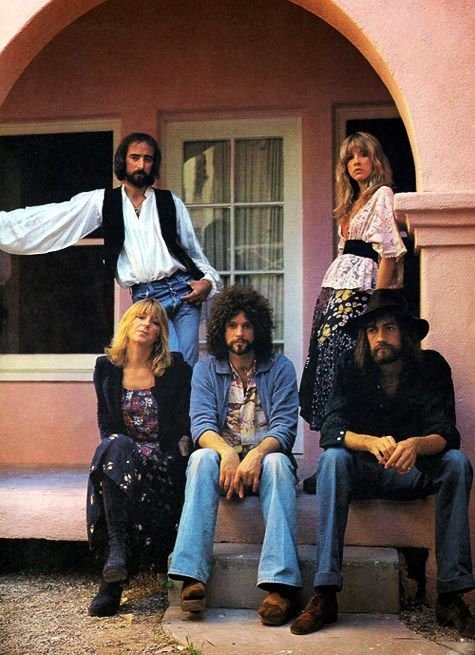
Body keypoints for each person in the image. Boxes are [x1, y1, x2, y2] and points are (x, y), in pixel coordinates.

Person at [290, 289, 475, 637]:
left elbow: (447, 433)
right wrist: (370, 442)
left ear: (405, 332)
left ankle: (451, 595)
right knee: (331, 459)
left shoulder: (432, 367)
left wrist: (416, 445)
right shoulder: (350, 366)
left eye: (389, 328)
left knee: (456, 463)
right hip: (362, 472)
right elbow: (331, 429)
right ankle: (325, 593)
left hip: (413, 473)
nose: (380, 337)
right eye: (372, 330)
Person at [0, 132, 221, 366]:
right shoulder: (104, 201)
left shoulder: (170, 202)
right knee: (169, 364)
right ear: (123, 161)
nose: (141, 165)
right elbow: (55, 217)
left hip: (184, 291)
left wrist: (207, 281)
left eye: (147, 159)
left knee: (187, 366)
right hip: (148, 298)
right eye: (135, 157)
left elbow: (192, 252)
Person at [168, 285, 302, 626]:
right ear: (221, 330)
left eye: (246, 325)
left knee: (278, 462)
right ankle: (191, 577)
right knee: (201, 458)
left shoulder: (280, 368)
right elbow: (200, 425)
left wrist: (257, 454)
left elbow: (285, 426)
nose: (239, 333)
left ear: (258, 329)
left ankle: (280, 584)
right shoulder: (205, 370)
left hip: (265, 465)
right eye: (232, 325)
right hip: (223, 468)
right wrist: (227, 453)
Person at [299, 133, 407, 492]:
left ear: (376, 160)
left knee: (349, 367)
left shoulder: (382, 195)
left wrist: (378, 304)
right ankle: (332, 458)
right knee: (327, 368)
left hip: (361, 295)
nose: (356, 162)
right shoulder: (350, 203)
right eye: (350, 157)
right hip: (335, 291)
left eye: (363, 155)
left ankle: (353, 460)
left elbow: (388, 253)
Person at [87, 298, 192, 617]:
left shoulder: (176, 369)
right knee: (115, 448)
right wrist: (123, 456)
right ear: (127, 323)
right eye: (140, 318)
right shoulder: (105, 367)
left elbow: (182, 424)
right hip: (124, 459)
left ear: (161, 333)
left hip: (162, 461)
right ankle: (117, 557)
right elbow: (105, 421)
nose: (147, 324)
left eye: (155, 321)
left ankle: (113, 579)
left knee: (114, 462)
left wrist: (182, 446)